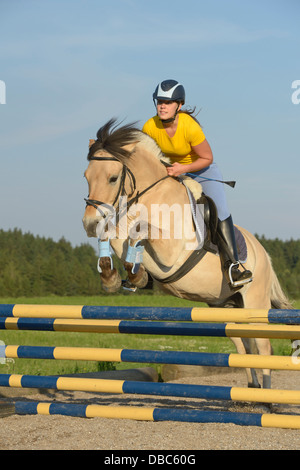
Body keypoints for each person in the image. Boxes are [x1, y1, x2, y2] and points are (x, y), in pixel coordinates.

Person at [142, 79, 252, 287]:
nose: (162, 106)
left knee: (218, 210)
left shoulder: (188, 126)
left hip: (201, 170)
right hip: (171, 173)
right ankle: (142, 268)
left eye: (168, 102)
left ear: (179, 105)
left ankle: (233, 266)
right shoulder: (149, 126)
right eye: (159, 102)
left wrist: (181, 169)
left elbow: (206, 158)